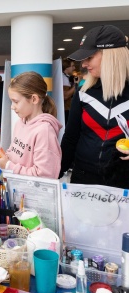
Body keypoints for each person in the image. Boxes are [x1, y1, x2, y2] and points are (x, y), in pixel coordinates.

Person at [60, 25, 129, 186]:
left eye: (89, 57)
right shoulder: (84, 92)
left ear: (111, 56)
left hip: (123, 184)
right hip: (83, 179)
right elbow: (70, 138)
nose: (83, 64)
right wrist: (54, 174)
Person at [0, 71, 62, 178]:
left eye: (16, 102)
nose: (12, 107)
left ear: (34, 99)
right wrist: (4, 157)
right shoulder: (19, 124)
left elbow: (44, 176)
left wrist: (7, 165)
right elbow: (14, 152)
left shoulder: (45, 131)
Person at [62, 58, 78, 125]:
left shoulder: (66, 77)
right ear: (66, 68)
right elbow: (65, 96)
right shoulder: (64, 78)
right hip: (65, 109)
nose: (74, 68)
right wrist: (76, 85)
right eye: (72, 66)